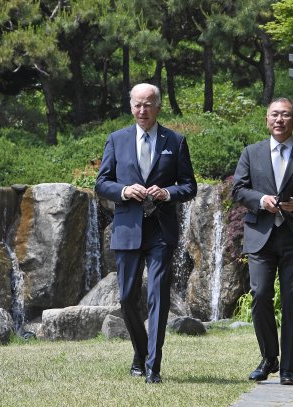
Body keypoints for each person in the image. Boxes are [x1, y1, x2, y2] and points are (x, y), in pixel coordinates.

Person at [95, 83, 197, 384]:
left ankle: (154, 365)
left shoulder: (175, 141)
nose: (143, 110)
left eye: (148, 104)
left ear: (158, 106)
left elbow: (189, 186)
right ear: (130, 106)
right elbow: (101, 184)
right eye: (138, 105)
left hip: (161, 231)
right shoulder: (116, 140)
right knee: (127, 298)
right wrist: (125, 190)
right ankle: (140, 353)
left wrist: (167, 192)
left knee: (158, 296)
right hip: (127, 228)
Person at [232, 97, 293, 385]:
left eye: (285, 115)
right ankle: (269, 358)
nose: (279, 119)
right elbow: (238, 189)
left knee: (292, 301)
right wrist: (261, 200)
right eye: (274, 114)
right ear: (266, 120)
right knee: (260, 296)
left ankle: (287, 367)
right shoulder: (251, 153)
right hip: (260, 236)